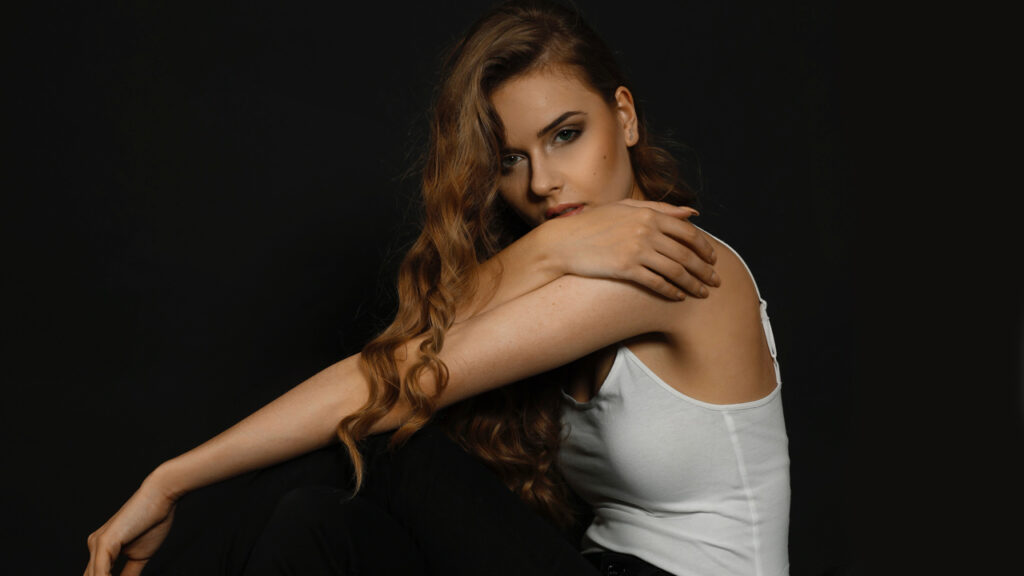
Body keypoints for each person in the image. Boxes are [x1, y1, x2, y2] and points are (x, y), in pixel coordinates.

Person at [84, 0, 789, 575]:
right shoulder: (567, 264)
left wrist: (171, 482)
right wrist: (549, 248)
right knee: (313, 526)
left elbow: (391, 382)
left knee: (390, 440)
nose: (543, 183)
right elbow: (407, 351)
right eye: (510, 160)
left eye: (566, 135)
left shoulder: (675, 264)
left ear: (625, 118)